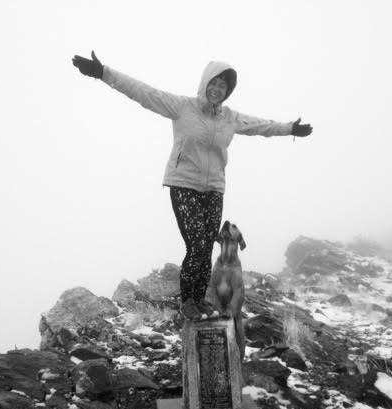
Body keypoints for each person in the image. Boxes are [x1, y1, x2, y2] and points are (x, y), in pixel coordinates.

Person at [72, 51, 312, 321]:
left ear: (227, 92)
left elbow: (261, 126)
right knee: (197, 243)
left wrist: (290, 128)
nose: (217, 90)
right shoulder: (181, 107)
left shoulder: (230, 118)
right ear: (205, 83)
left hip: (214, 190)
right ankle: (188, 301)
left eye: (223, 87)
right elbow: (143, 92)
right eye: (214, 84)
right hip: (184, 184)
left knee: (207, 247)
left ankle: (199, 301)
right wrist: (103, 72)